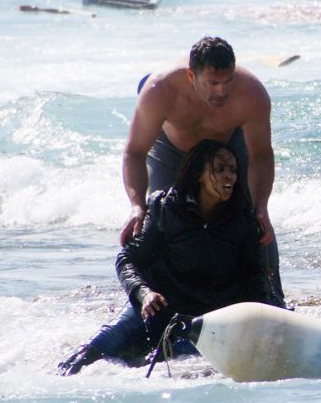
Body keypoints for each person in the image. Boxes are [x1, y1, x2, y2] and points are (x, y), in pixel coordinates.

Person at [58, 140, 275, 375]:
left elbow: (254, 274)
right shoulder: (165, 207)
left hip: (205, 317)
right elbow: (126, 259)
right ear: (199, 174)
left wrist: (267, 318)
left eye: (233, 170)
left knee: (173, 361)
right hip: (156, 308)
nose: (229, 177)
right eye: (220, 169)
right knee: (94, 351)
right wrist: (144, 293)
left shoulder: (241, 218)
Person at [121, 36, 285, 306]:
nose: (222, 92)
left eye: (228, 81)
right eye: (212, 83)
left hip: (227, 146)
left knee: (254, 222)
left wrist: (261, 206)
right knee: (156, 219)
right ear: (191, 75)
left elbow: (261, 154)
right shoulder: (159, 89)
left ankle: (273, 301)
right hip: (172, 150)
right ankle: (148, 303)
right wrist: (136, 205)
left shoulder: (251, 94)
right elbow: (135, 152)